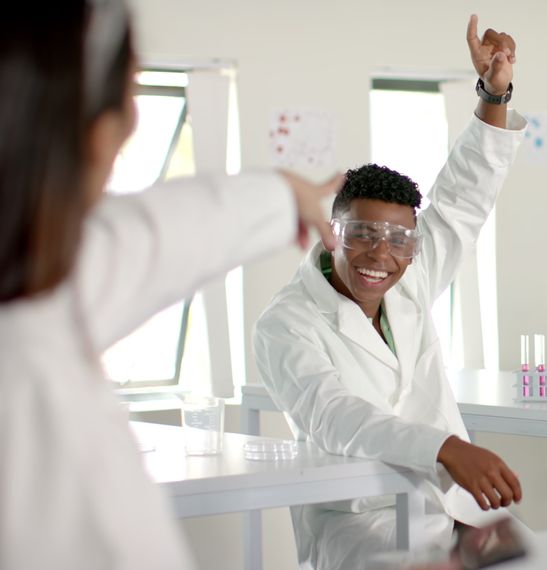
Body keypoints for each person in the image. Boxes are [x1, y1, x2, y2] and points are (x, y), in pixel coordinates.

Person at [0, 2, 341, 569]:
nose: (134, 121)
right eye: (128, 94)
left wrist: (282, 193)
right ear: (89, 134)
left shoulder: (44, 285)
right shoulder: (34, 387)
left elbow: (156, 234)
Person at [252, 16, 526, 568]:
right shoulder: (285, 323)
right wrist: (446, 449)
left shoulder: (412, 276)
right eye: (362, 234)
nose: (382, 255)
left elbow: (465, 197)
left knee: (536, 555)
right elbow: (333, 413)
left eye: (399, 238)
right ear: (333, 232)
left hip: (450, 508)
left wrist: (494, 92)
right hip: (360, 523)